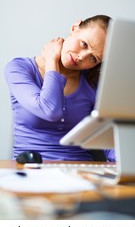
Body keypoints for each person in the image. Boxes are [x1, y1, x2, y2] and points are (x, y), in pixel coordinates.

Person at [4, 14, 115, 162]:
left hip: (80, 172)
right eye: (84, 44)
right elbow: (49, 110)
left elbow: (109, 138)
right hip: (31, 169)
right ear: (75, 28)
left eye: (93, 58)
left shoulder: (93, 82)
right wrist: (52, 62)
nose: (82, 57)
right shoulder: (19, 69)